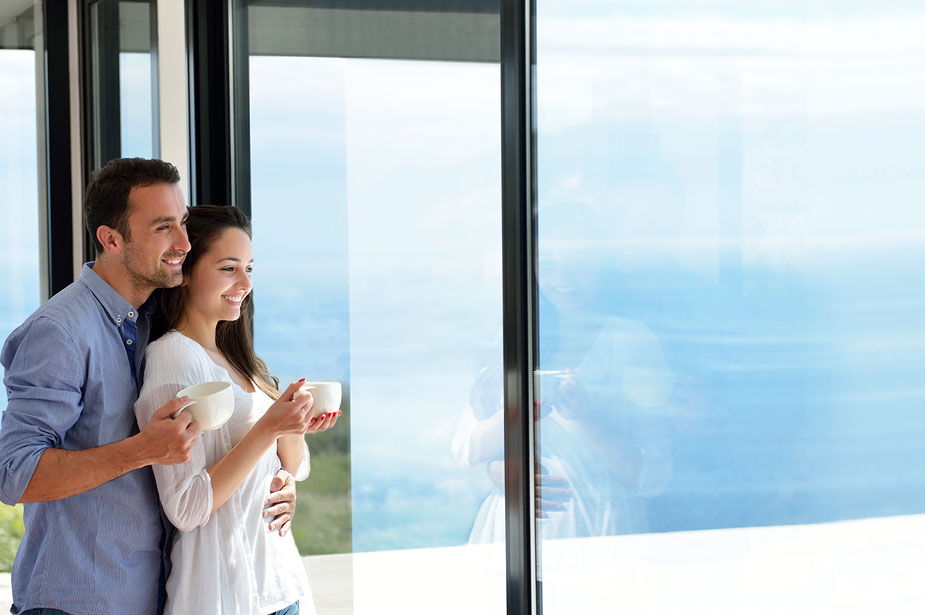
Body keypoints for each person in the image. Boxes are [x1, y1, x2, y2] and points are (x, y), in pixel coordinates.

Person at [0, 158, 298, 615]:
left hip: (148, 596)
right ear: (111, 239)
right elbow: (14, 474)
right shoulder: (59, 331)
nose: (183, 242)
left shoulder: (150, 322)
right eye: (164, 227)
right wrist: (143, 449)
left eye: (182, 223)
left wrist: (274, 483)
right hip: (76, 601)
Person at [134, 204, 339, 615]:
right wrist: (268, 427)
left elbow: (295, 467)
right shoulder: (174, 357)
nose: (244, 283)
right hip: (227, 592)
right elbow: (187, 507)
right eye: (229, 268)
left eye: (249, 268)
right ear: (186, 272)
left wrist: (292, 424)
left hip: (280, 587)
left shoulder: (235, 358)